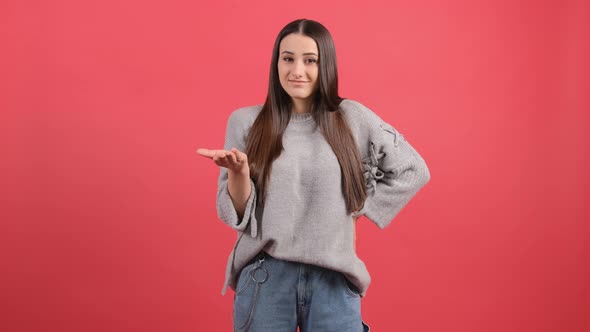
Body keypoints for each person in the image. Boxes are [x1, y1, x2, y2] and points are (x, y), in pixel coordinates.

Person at [197, 18, 430, 332]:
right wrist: (238, 173)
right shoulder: (246, 122)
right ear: (276, 63)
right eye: (288, 58)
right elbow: (237, 213)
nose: (297, 71)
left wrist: (356, 206)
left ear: (326, 65)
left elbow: (412, 169)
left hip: (332, 280)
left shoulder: (352, 118)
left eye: (310, 60)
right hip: (266, 278)